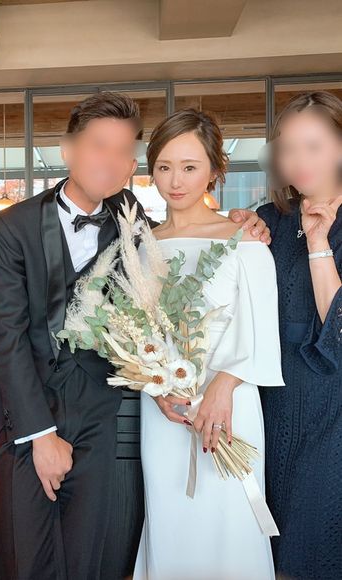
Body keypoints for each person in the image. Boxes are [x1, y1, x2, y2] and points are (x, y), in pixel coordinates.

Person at [0, 92, 271, 580]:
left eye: (123, 151)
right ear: (68, 149)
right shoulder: (12, 226)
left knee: (95, 556)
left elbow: (175, 258)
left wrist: (243, 221)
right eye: (99, 145)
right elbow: (6, 338)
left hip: (104, 418)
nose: (111, 161)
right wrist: (41, 436)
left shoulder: (132, 219)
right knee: (30, 559)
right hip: (30, 419)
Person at [133, 109, 284, 580]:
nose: (175, 180)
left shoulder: (244, 238)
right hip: (165, 411)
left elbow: (263, 327)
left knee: (228, 519)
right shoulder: (142, 246)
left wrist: (223, 388)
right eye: (164, 167)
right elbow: (138, 332)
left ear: (215, 170)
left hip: (229, 403)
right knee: (170, 517)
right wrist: (156, 387)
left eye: (190, 166)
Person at [257, 91, 342, 580]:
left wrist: (318, 242)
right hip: (275, 403)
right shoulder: (271, 219)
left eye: (313, 146)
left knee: (320, 538)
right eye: (287, 148)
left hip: (333, 405)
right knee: (275, 543)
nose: (298, 161)